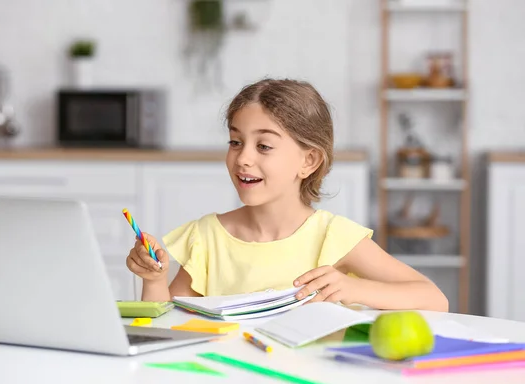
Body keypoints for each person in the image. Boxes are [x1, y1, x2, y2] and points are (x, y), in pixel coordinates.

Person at [126, 78, 449, 312]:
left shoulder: (332, 237)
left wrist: (355, 288)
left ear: (308, 161)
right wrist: (154, 280)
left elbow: (434, 299)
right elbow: (167, 327)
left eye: (263, 146)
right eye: (235, 142)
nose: (243, 158)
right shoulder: (207, 237)